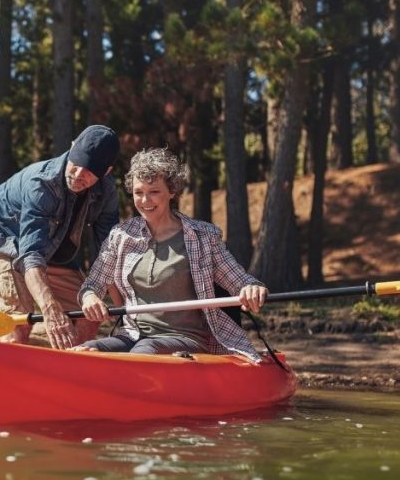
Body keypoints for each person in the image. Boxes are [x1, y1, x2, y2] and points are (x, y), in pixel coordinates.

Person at [75, 147, 268, 361]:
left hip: (187, 339)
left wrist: (251, 288)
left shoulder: (203, 236)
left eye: (154, 192)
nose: (145, 201)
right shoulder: (120, 236)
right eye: (139, 192)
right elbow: (91, 285)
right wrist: (90, 297)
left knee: (145, 350)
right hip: (132, 335)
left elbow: (238, 280)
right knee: (86, 351)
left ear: (172, 191)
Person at [0, 125, 122, 349]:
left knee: (89, 315)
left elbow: (109, 253)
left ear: (106, 172)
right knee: (19, 323)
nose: (79, 174)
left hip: (51, 247)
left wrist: (124, 311)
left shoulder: (107, 193)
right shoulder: (41, 184)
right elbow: (30, 255)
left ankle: (67, 374)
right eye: (76, 163)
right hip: (1, 238)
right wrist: (50, 309)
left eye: (89, 171)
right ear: (71, 148)